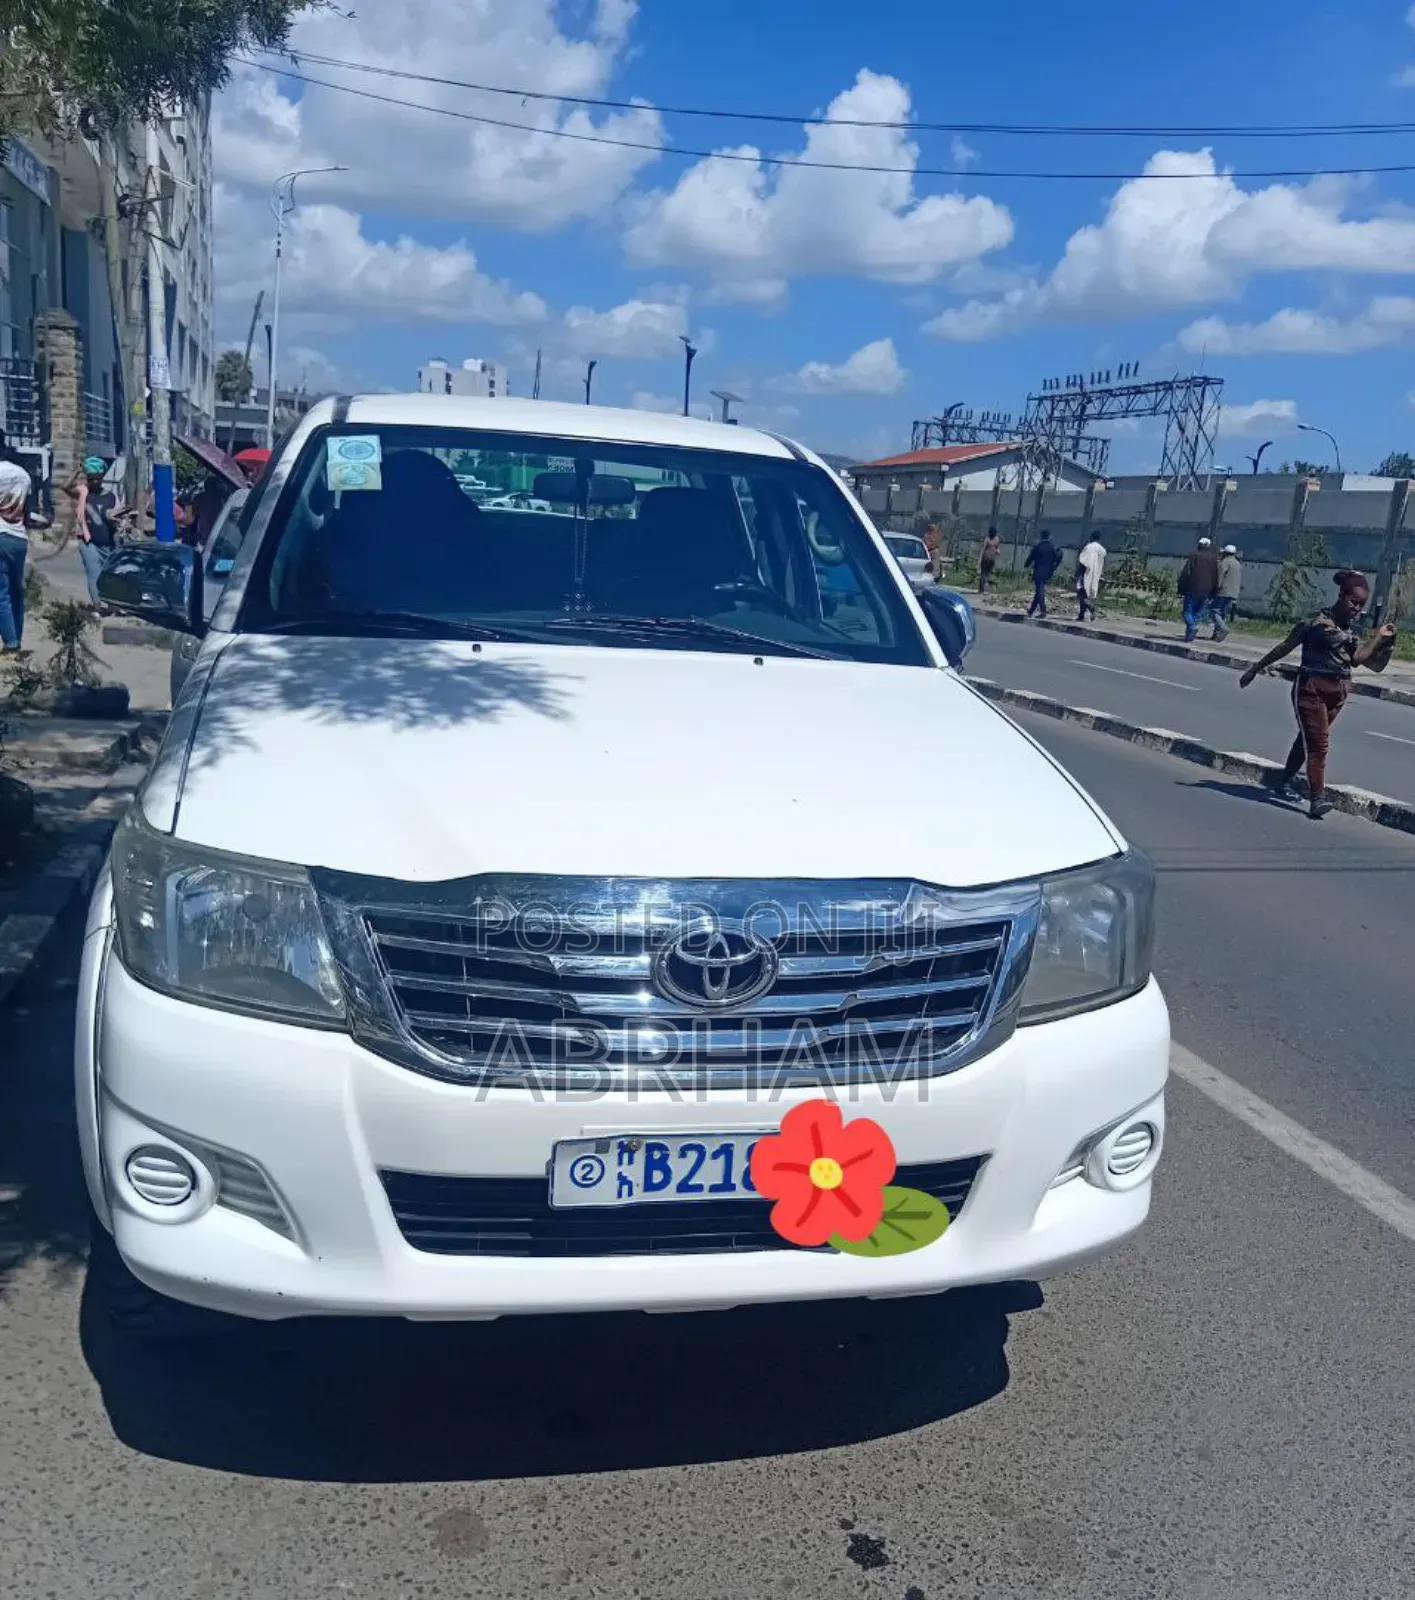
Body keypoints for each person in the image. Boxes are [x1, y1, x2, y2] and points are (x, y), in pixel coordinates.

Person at [1239, 569, 1397, 820]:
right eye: (1353, 602)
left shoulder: (1349, 627)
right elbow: (1287, 646)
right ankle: (1317, 799)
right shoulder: (1318, 623)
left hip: (1339, 691)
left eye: (1361, 605)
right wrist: (1255, 669)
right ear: (1341, 595)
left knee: (1308, 738)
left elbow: (1374, 665)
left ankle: (1283, 780)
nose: (1357, 608)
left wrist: (1387, 643)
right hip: (1311, 689)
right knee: (1318, 745)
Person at [65, 457, 123, 606]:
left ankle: (112, 603)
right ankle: (98, 605)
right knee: (93, 572)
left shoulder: (111, 497)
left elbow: (118, 517)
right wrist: (77, 471)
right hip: (88, 541)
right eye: (91, 479)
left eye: (97, 479)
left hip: (108, 542)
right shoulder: (83, 491)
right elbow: (65, 487)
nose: (94, 482)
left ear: (102, 478)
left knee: (108, 575)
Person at [0, 429, 32, 654]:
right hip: (19, 536)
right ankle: (16, 637)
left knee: (1, 593)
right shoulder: (22, 474)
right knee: (16, 591)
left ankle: (11, 644)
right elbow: (27, 511)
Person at [1177, 536, 1220, 642]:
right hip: (1207, 589)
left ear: (1199, 545)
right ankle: (1190, 634)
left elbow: (1187, 572)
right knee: (1198, 612)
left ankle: (1192, 627)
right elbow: (1216, 576)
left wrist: (1181, 587)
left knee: (1187, 611)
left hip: (1194, 587)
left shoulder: (1194, 556)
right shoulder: (1214, 558)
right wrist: (1214, 591)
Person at [1024, 530, 1062, 617]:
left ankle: (1043, 611)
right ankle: (1031, 611)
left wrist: (1026, 565)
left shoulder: (1038, 547)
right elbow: (1057, 558)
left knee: (1040, 591)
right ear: (1049, 536)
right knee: (1039, 591)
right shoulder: (1052, 547)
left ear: (1041, 536)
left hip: (1038, 572)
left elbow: (1031, 558)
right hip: (1048, 573)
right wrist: (1054, 567)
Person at [1211, 544, 1242, 641]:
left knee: (1214, 611)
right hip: (1233, 593)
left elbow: (1220, 577)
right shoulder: (1237, 564)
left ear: (1225, 553)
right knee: (1223, 614)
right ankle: (1217, 635)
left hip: (1223, 591)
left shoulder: (1224, 562)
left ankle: (1223, 628)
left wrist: (1216, 588)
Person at [1076, 535, 1106, 622]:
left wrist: (1078, 573)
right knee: (1088, 594)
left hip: (1086, 574)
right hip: (1095, 574)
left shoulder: (1088, 547)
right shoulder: (1101, 549)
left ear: (1091, 538)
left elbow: (1083, 561)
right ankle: (1081, 615)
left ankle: (1092, 608)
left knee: (1082, 594)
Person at [978, 527, 1001, 593]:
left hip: (989, 559)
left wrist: (997, 551)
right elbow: (983, 549)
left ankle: (982, 589)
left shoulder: (992, 539)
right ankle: (983, 588)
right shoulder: (992, 539)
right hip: (988, 558)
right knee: (985, 574)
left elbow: (997, 549)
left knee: (985, 574)